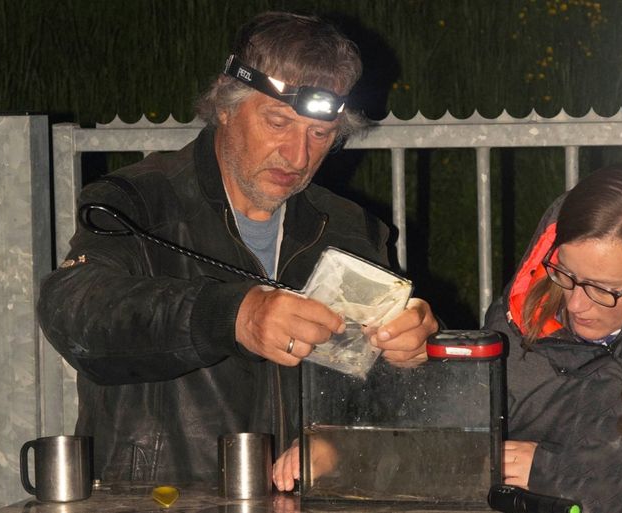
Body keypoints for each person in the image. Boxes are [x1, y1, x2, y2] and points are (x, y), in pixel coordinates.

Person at [37, 11, 437, 483]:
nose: (298, 155)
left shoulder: (350, 228)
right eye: (278, 122)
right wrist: (233, 316)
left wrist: (412, 352)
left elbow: (383, 392)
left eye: (320, 134)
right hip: (160, 497)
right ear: (225, 105)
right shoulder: (137, 201)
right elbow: (76, 313)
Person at [484, 163, 622, 513]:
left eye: (603, 289)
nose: (575, 303)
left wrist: (551, 471)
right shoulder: (520, 314)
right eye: (567, 274)